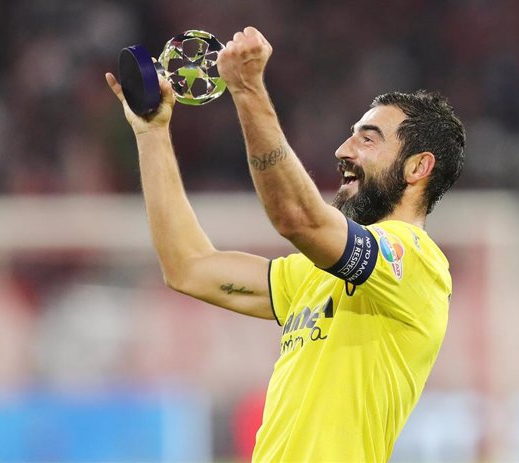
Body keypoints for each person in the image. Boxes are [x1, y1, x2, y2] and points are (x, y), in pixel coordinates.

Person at [106, 26, 465, 463]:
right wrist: (151, 133)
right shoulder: (310, 276)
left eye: (368, 139)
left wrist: (248, 89)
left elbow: (298, 219)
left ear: (417, 167)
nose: (343, 149)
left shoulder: (416, 262)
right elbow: (189, 267)